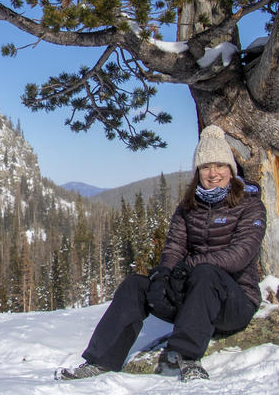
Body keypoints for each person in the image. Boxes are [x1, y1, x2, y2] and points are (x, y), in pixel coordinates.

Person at [55, 125, 267, 382]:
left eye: (219, 166)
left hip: (234, 303)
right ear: (198, 171)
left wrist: (190, 265)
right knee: (136, 284)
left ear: (231, 170)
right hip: (193, 299)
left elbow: (240, 254)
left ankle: (187, 358)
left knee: (207, 272)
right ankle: (100, 361)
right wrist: (163, 275)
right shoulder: (188, 207)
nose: (213, 174)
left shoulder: (250, 205)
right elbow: (174, 247)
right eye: (205, 167)